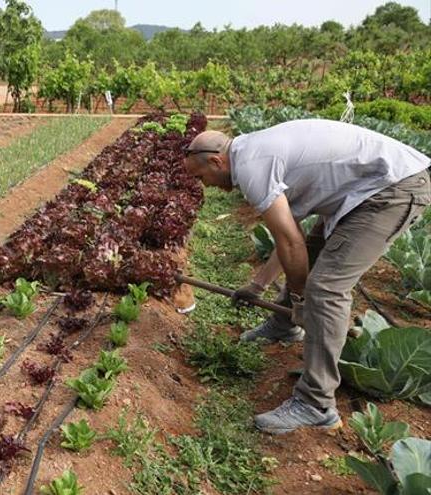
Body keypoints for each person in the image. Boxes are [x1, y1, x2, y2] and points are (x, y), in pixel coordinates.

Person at [183, 119, 430, 434]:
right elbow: (289, 233)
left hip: (391, 190)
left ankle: (316, 403)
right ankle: (283, 326)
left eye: (201, 176)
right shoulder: (253, 151)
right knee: (310, 252)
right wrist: (258, 285)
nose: (204, 184)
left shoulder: (252, 166)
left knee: (326, 289)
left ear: (217, 161)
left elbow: (289, 241)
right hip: (366, 191)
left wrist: (302, 299)